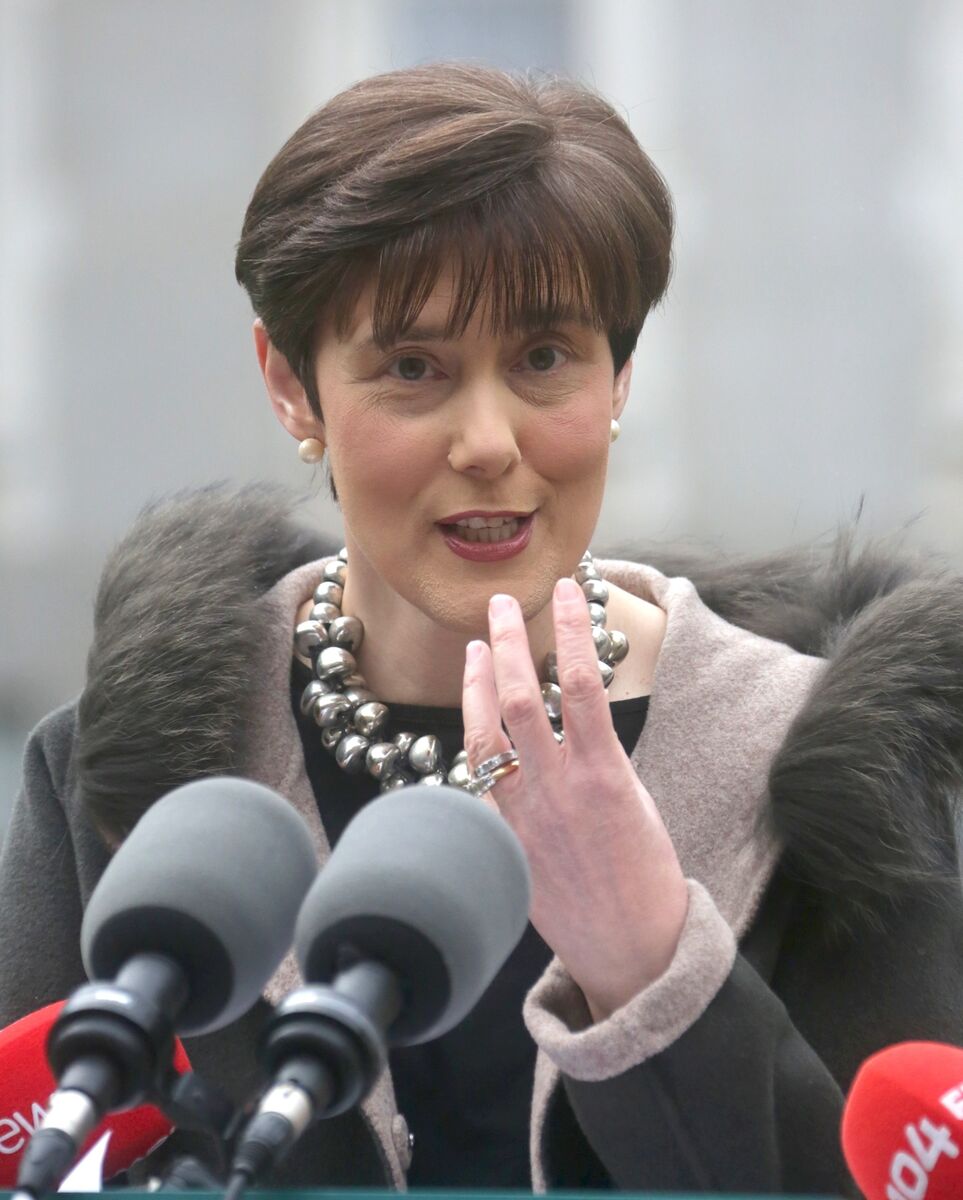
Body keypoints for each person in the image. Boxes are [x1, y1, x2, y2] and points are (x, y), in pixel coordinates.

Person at [2, 62, 962, 1195]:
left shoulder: (817, 777)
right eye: (413, 368)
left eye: (544, 359)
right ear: (292, 386)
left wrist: (652, 965)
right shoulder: (125, 781)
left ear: (619, 378)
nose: (489, 442)